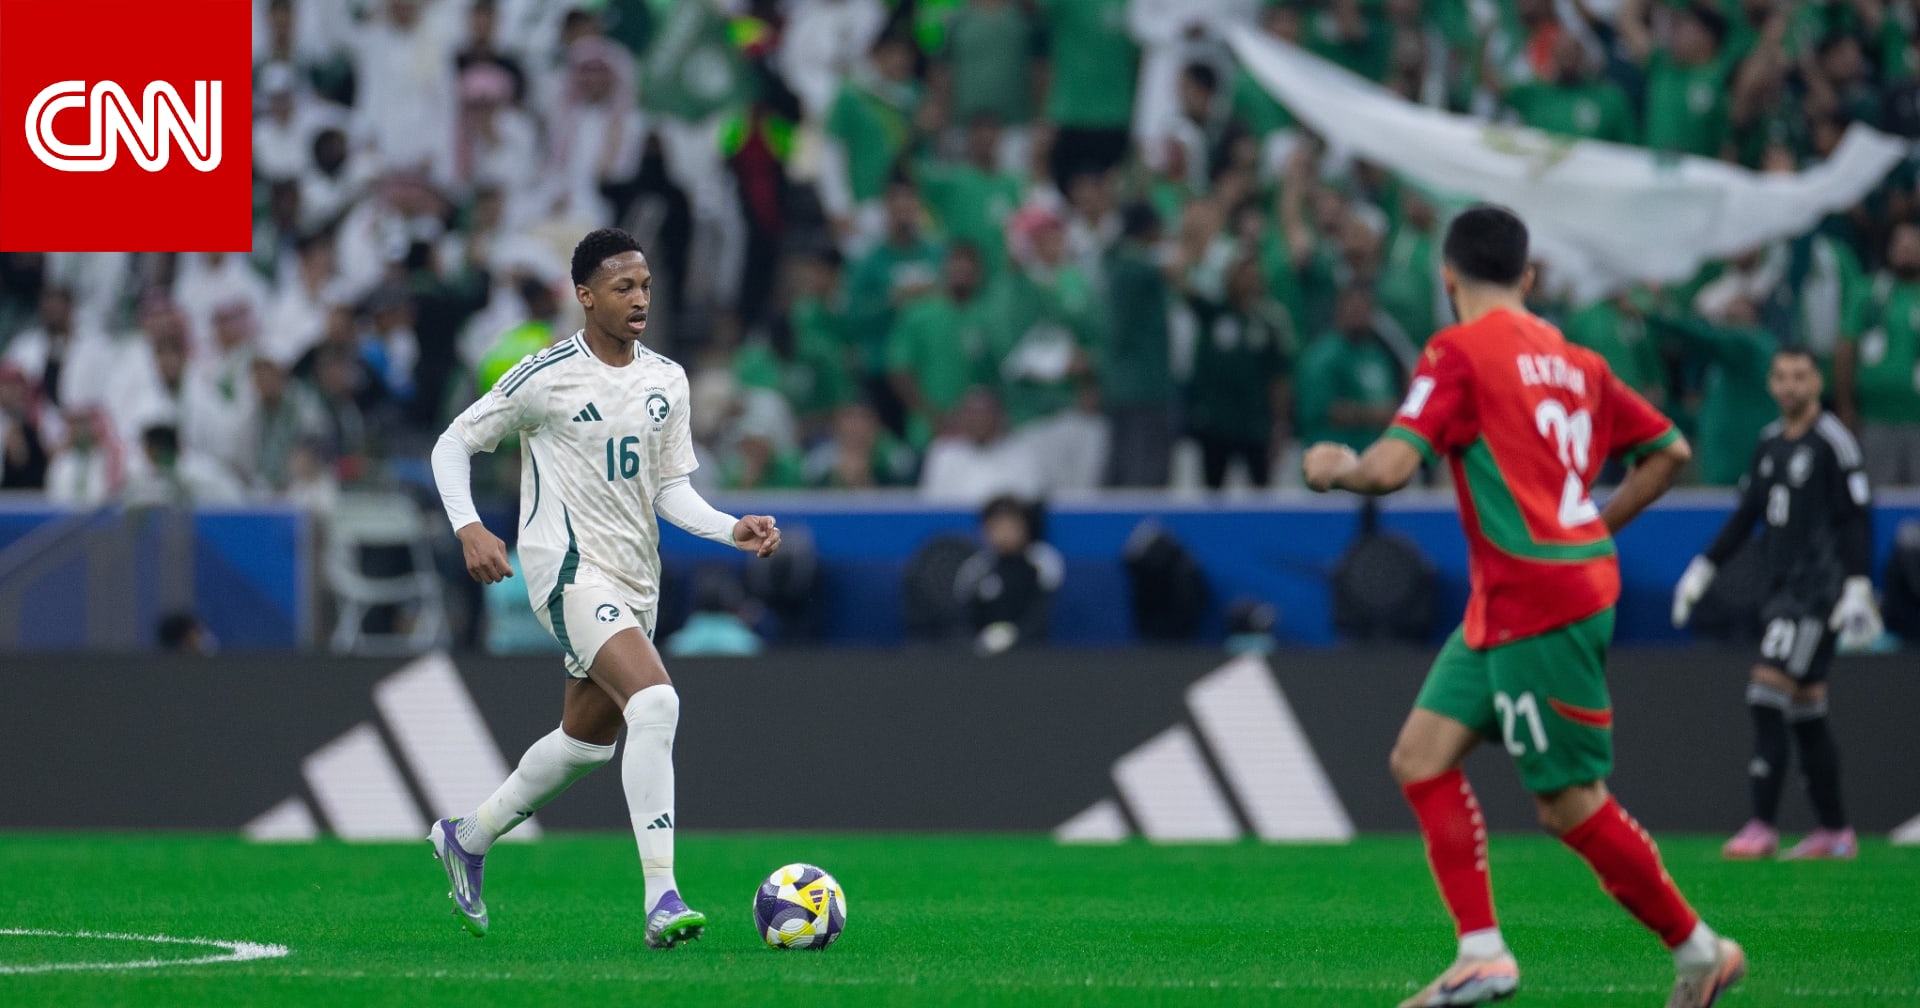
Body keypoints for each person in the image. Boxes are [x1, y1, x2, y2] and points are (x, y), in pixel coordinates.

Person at [1303, 206, 1744, 1008]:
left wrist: (1337, 467)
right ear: (1529, 277)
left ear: (1447, 276)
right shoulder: (1578, 361)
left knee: (1568, 804)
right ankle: (1480, 953)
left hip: (1538, 595)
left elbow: (1391, 468)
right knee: (1420, 757)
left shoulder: (1457, 351)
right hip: (1514, 595)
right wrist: (1592, 526)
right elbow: (1670, 450)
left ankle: (1701, 951)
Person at [426, 228, 782, 947]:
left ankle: (467, 836)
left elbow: (670, 489)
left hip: (634, 579)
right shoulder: (546, 375)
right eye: (623, 288)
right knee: (656, 701)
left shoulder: (667, 380)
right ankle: (662, 898)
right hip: (567, 569)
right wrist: (469, 527)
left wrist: (730, 528)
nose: (640, 299)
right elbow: (453, 442)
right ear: (585, 297)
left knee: (585, 745)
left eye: (645, 286)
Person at [1671, 348, 1879, 861]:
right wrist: (1704, 567)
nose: (1790, 386)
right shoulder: (1768, 442)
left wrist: (1857, 585)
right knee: (1806, 709)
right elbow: (1747, 514)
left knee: (1766, 692)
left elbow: (1856, 516)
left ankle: (1762, 825)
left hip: (1817, 592)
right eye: (1781, 377)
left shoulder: (1833, 441)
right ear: (1770, 384)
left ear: (1817, 382)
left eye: (1800, 376)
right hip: (1781, 590)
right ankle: (1835, 831)